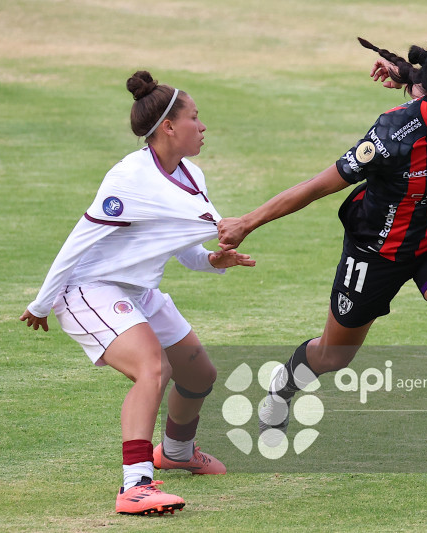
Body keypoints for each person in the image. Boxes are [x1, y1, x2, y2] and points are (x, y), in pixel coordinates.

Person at [217, 38, 427, 494]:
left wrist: (406, 76)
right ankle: (284, 384)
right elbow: (320, 185)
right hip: (376, 252)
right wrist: (247, 223)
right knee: (335, 354)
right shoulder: (392, 137)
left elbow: (425, 89)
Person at [19, 71, 256, 516]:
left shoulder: (191, 174)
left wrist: (211, 259)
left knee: (198, 374)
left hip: (140, 289)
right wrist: (40, 303)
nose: (202, 127)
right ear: (168, 127)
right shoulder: (128, 179)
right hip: (88, 289)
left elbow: (185, 249)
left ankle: (178, 452)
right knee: (153, 366)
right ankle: (136, 484)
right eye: (195, 118)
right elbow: (77, 243)